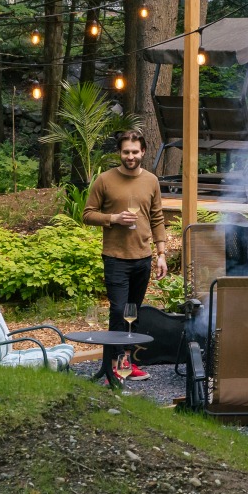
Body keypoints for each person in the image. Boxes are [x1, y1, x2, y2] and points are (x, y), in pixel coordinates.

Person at [83, 130, 167, 382]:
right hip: (116, 258)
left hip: (142, 258)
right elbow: (87, 214)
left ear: (142, 152)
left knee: (133, 312)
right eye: (125, 152)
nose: (130, 156)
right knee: (118, 311)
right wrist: (113, 219)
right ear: (120, 152)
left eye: (134, 152)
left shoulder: (151, 181)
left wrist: (161, 253)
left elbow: (157, 218)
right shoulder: (105, 180)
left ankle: (126, 364)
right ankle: (111, 367)